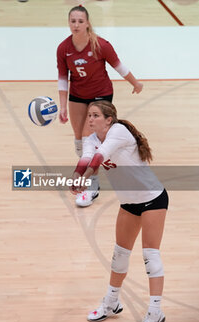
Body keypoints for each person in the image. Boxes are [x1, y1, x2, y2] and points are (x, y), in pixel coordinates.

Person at [70, 100, 169, 322]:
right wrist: (76, 177)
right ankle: (111, 303)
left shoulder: (118, 132)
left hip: (152, 199)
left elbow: (99, 158)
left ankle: (155, 312)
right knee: (119, 255)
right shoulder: (91, 139)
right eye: (89, 115)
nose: (90, 119)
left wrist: (85, 175)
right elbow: (86, 159)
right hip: (129, 203)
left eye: (95, 115)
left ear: (108, 119)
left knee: (150, 257)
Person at [57, 5, 143, 207]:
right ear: (69, 23)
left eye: (80, 21)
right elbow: (62, 78)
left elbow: (118, 66)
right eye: (73, 21)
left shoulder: (100, 45)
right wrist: (62, 106)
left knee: (90, 139)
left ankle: (91, 187)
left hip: (100, 95)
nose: (76, 25)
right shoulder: (63, 48)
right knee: (79, 142)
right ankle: (91, 175)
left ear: (87, 23)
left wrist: (135, 83)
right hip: (77, 95)